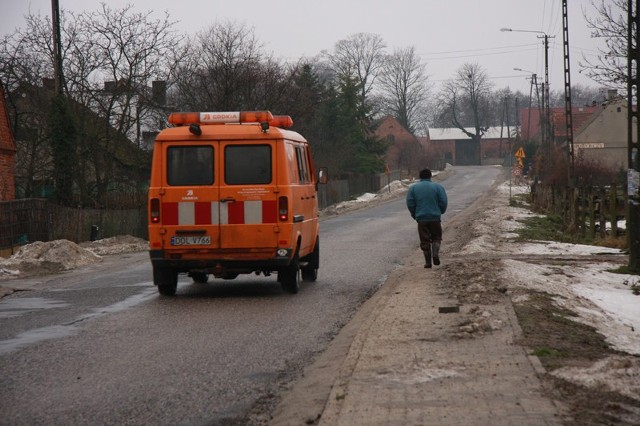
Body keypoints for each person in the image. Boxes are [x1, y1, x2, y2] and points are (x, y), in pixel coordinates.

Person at [406, 168, 448, 268]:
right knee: (437, 237)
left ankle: (428, 262)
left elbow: (410, 203)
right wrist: (440, 211)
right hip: (435, 217)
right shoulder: (438, 187)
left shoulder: (413, 188)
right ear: (430, 176)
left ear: (420, 177)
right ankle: (435, 253)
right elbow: (443, 201)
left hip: (421, 218)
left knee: (424, 240)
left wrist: (415, 214)